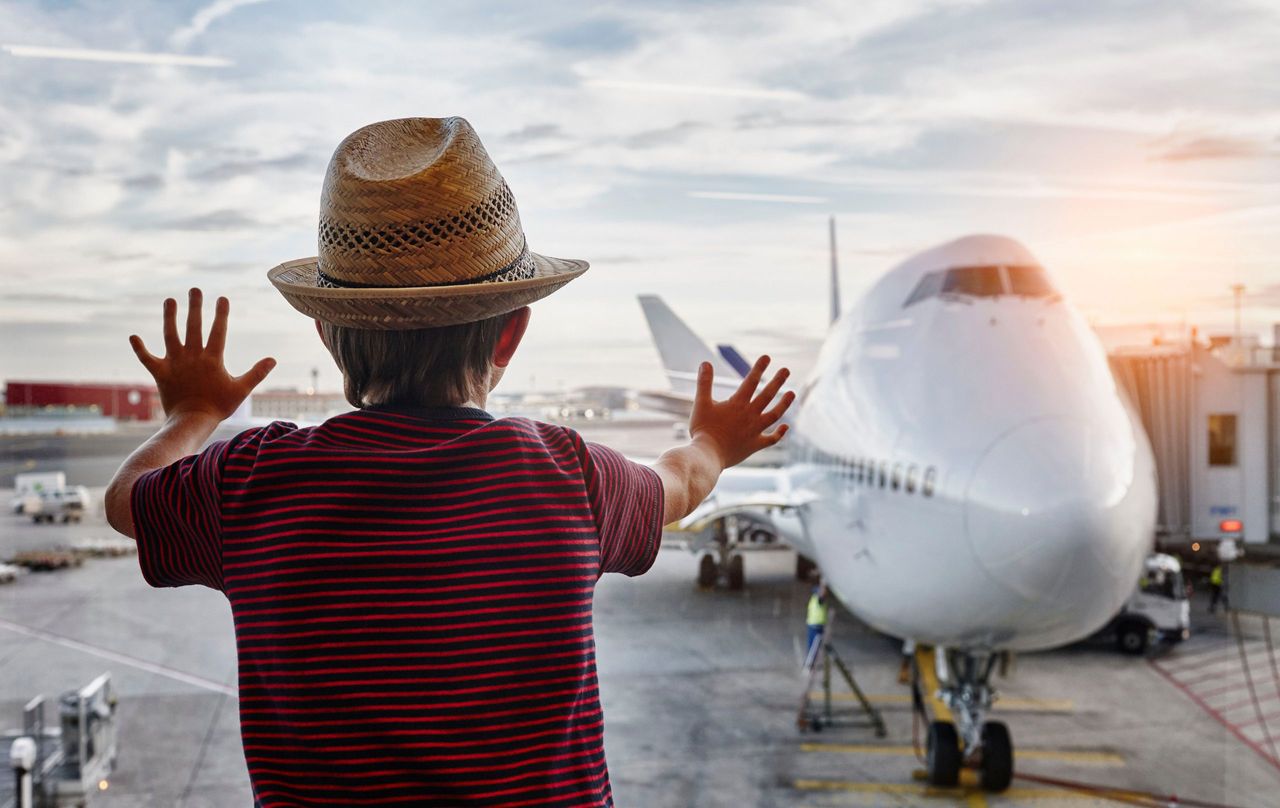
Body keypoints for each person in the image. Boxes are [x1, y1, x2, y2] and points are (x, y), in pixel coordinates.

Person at [103, 117, 794, 807]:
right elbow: (679, 484)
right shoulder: (565, 475)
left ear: (326, 332)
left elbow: (126, 499)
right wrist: (715, 442)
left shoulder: (255, 481)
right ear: (511, 334)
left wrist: (192, 412)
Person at [804, 582, 828, 668]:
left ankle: (812, 662)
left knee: (814, 646)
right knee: (814, 646)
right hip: (816, 626)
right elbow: (821, 598)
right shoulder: (818, 599)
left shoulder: (814, 599)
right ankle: (811, 663)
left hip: (814, 625)